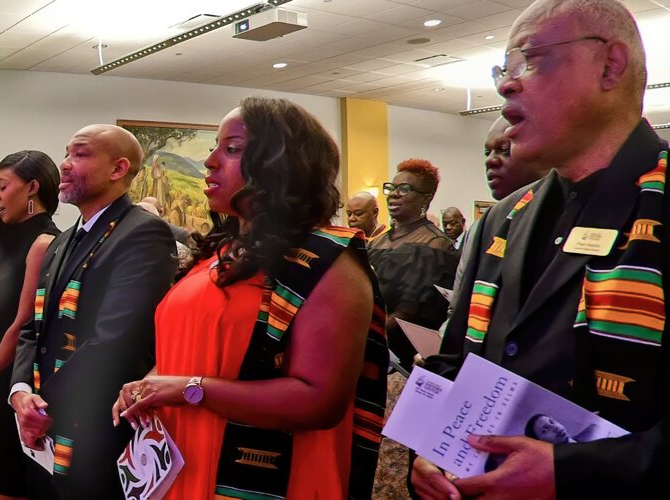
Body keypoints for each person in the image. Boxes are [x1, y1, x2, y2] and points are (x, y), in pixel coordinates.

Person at [415, 0, 670, 497]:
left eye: (531, 60)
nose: (507, 85)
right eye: (503, 71)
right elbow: (453, 363)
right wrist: (427, 447)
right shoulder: (503, 218)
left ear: (610, 65)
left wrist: (571, 471)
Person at [112, 97, 388, 498]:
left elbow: (318, 400)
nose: (209, 161)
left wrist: (189, 388)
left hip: (269, 476)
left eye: (232, 149)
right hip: (183, 457)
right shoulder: (217, 253)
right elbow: (197, 350)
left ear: (279, 163)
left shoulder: (326, 263)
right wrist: (152, 381)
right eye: (215, 147)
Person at [9, 124, 177, 498]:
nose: (65, 165)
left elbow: (115, 340)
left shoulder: (142, 233)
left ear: (118, 169)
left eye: (80, 155)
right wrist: (20, 392)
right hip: (44, 422)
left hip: (99, 425)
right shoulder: (62, 241)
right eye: (67, 153)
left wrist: (44, 406)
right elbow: (31, 330)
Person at [0, 150, 62, 500]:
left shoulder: (44, 242)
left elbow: (23, 320)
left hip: (16, 375)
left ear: (32, 187)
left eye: (2, 187)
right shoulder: (3, 240)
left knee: (11, 484)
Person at [370, 159, 456, 366]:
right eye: (391, 187)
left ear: (425, 199)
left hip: (402, 352)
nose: (393, 194)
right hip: (368, 337)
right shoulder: (377, 241)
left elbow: (410, 312)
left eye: (404, 189)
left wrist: (368, 338)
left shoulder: (435, 244)